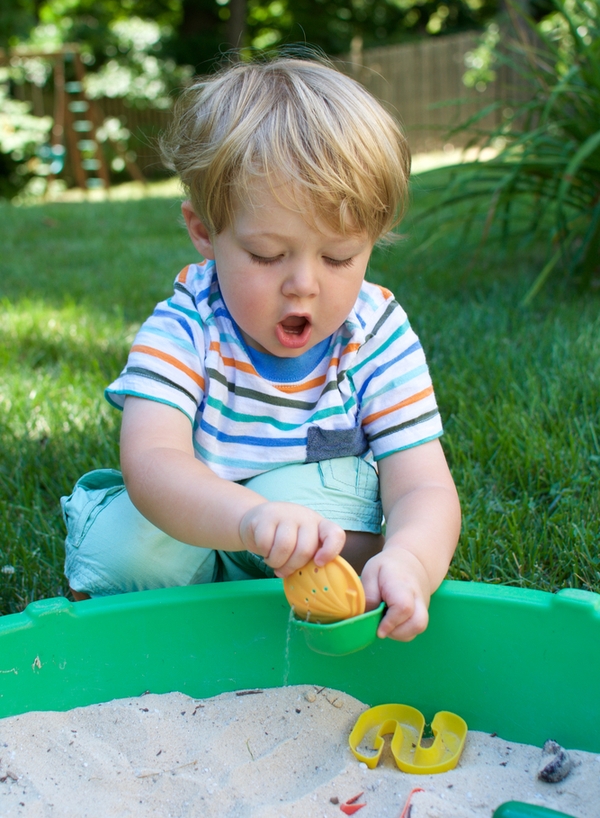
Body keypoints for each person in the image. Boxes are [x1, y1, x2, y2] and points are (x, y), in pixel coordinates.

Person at [62, 55, 461, 642]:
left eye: (338, 257)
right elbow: (152, 463)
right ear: (204, 232)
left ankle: (256, 573)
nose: (304, 283)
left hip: (314, 531)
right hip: (203, 521)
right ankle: (216, 577)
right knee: (124, 554)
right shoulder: (187, 324)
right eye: (267, 255)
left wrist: (411, 560)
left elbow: (422, 484)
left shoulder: (374, 331)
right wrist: (249, 519)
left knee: (327, 513)